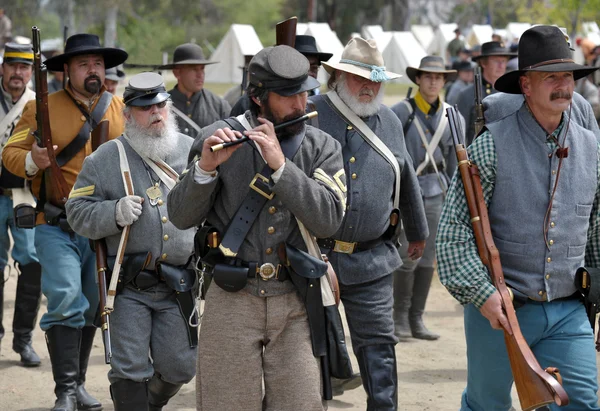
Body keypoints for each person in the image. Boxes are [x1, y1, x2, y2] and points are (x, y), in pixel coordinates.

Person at [168, 45, 346, 411]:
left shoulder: (321, 146)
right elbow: (181, 217)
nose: (300, 103)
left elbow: (329, 218)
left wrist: (282, 168)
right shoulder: (215, 137)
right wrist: (205, 170)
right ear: (257, 97)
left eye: (304, 92)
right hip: (231, 297)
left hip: (297, 297)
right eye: (288, 95)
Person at [436, 25, 600, 410]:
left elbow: (596, 227)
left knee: (581, 402)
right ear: (525, 85)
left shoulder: (592, 147)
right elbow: (452, 236)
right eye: (551, 77)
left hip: (568, 308)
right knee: (487, 404)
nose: (563, 86)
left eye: (568, 76)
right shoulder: (490, 146)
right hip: (502, 309)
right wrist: (483, 294)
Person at [2, 33, 127, 411]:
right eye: (84, 64)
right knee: (65, 298)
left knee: (92, 305)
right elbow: (11, 152)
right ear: (67, 71)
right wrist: (33, 161)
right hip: (54, 222)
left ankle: (80, 385)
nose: (94, 70)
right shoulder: (42, 108)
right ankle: (65, 393)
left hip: (102, 228)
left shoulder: (119, 108)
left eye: (98, 64)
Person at [310, 37, 429, 410]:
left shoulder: (390, 120)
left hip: (372, 257)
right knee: (310, 351)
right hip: (314, 257)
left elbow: (405, 175)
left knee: (379, 345)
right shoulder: (311, 113)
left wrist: (418, 230)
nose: (369, 87)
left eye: (375, 80)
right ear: (339, 75)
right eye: (361, 78)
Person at [66, 72, 196, 410]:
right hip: (128, 287)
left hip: (178, 284)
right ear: (128, 115)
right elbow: (75, 211)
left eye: (161, 105)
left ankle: (151, 402)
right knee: (130, 370)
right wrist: (113, 212)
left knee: (181, 366)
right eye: (145, 108)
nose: (156, 113)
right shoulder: (104, 159)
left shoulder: (190, 149)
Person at [390, 56, 463, 341]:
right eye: (428, 76)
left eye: (438, 77)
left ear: (444, 81)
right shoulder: (401, 112)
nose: (433, 81)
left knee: (427, 259)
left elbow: (455, 162)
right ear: (418, 79)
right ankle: (399, 319)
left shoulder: (452, 116)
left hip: (438, 193)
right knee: (406, 255)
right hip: (407, 193)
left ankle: (416, 319)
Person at [0, 43, 42, 367]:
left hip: (25, 195)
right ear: (3, 68)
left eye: (24, 67)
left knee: (31, 265)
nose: (18, 73)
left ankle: (23, 340)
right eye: (12, 65)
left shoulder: (37, 103)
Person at [230, 35, 333, 117]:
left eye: (313, 68)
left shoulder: (323, 103)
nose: (308, 74)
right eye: (302, 67)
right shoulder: (245, 102)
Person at [159, 43, 231, 137]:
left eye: (202, 69)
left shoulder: (219, 106)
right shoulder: (161, 106)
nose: (200, 75)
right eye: (194, 69)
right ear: (177, 73)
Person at [456, 41, 515, 144]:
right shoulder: (466, 95)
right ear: (483, 63)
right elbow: (459, 136)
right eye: (496, 61)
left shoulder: (513, 93)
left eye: (504, 61)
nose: (501, 65)